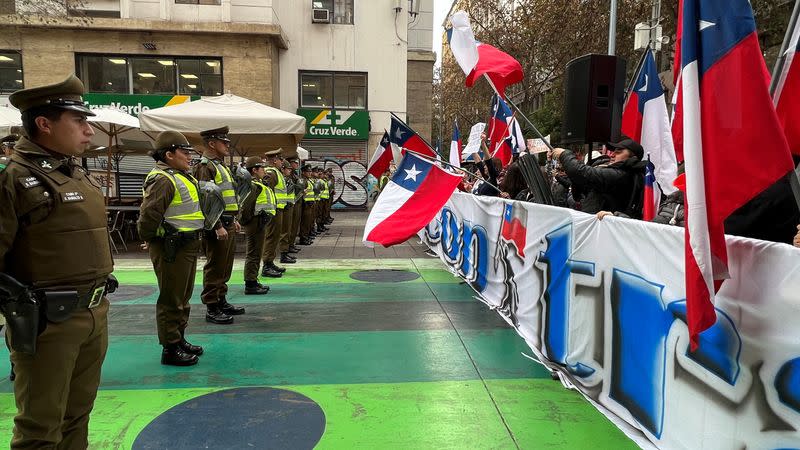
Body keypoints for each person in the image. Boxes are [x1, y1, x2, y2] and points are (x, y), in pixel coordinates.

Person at [0, 74, 115, 448]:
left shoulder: (74, 173)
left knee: (77, 416)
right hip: (48, 322)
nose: (88, 130)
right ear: (44, 124)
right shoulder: (13, 178)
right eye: (78, 121)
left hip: (93, 313)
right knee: (39, 427)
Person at [138, 131, 205, 366]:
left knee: (183, 296)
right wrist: (151, 238)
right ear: (168, 155)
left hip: (185, 244)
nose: (189, 156)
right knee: (171, 297)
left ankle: (179, 338)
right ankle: (170, 348)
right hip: (171, 246)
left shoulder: (179, 176)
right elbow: (149, 216)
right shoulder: (163, 179)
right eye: (184, 152)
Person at [192, 126, 245, 324]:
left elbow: (226, 197)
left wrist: (234, 219)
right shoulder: (205, 166)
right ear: (212, 144)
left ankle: (221, 299)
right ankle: (212, 306)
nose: (228, 146)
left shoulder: (220, 165)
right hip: (218, 224)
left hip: (228, 222)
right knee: (215, 266)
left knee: (225, 265)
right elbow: (206, 199)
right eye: (224, 142)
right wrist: (217, 225)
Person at [553, 137, 647, 217]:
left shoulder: (620, 174)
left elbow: (580, 172)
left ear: (633, 157)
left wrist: (564, 154)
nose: (612, 155)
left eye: (619, 152)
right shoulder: (629, 174)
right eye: (613, 151)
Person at [238, 156, 275, 295]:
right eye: (262, 168)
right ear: (254, 170)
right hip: (255, 223)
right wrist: (248, 221)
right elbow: (246, 207)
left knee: (256, 252)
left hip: (258, 222)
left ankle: (253, 280)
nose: (264, 170)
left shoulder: (257, 184)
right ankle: (250, 283)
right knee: (253, 253)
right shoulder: (253, 186)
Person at [261, 149, 288, 277]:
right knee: (271, 237)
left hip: (278, 209)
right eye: (280, 159)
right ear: (275, 160)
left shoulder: (276, 172)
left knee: (275, 236)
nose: (282, 162)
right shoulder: (272, 173)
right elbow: (268, 192)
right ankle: (266, 265)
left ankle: (270, 262)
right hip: (274, 210)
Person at [279, 160, 298, 264]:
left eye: (291, 169)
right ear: (283, 169)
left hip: (289, 206)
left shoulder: (287, 179)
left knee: (288, 229)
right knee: (284, 231)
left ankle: (285, 251)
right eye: (288, 169)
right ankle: (283, 254)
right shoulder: (282, 179)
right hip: (284, 207)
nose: (290, 170)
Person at [298, 164, 316, 245]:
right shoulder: (302, 181)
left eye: (310, 171)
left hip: (310, 204)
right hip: (305, 204)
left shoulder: (308, 180)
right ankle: (303, 238)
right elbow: (300, 192)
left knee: (308, 221)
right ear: (303, 172)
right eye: (308, 172)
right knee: (305, 222)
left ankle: (306, 236)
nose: (310, 173)